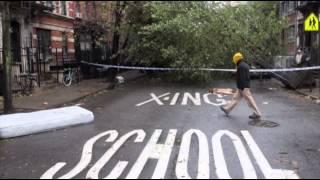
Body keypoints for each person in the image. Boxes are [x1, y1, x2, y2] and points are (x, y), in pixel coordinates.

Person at [220, 52, 262, 120]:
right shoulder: (244, 65)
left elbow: (243, 78)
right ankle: (227, 109)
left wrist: (243, 88)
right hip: (242, 87)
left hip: (243, 87)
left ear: (236, 59)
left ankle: (257, 113)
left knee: (249, 100)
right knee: (235, 98)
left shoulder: (241, 66)